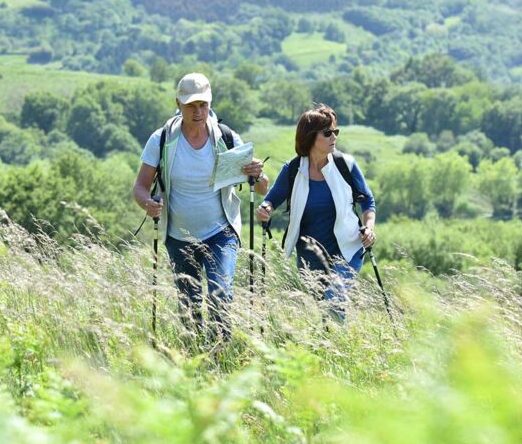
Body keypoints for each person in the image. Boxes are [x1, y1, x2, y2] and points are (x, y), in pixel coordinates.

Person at [133, 72, 268, 342]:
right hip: (178, 236)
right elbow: (139, 187)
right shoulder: (161, 140)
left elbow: (262, 187)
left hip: (221, 233)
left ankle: (220, 358)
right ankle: (195, 358)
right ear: (179, 104)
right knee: (189, 307)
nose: (198, 111)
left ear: (210, 103)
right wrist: (148, 204)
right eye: (191, 105)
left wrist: (257, 173)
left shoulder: (227, 137)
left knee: (221, 294)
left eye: (203, 105)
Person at [256, 104, 375, 320]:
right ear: (310, 137)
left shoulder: (345, 165)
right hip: (310, 255)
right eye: (327, 133)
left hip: (348, 248)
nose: (334, 137)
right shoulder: (293, 170)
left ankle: (336, 349)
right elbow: (271, 200)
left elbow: (368, 201)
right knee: (326, 310)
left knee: (334, 301)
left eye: (335, 132)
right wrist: (265, 210)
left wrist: (369, 228)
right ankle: (330, 349)